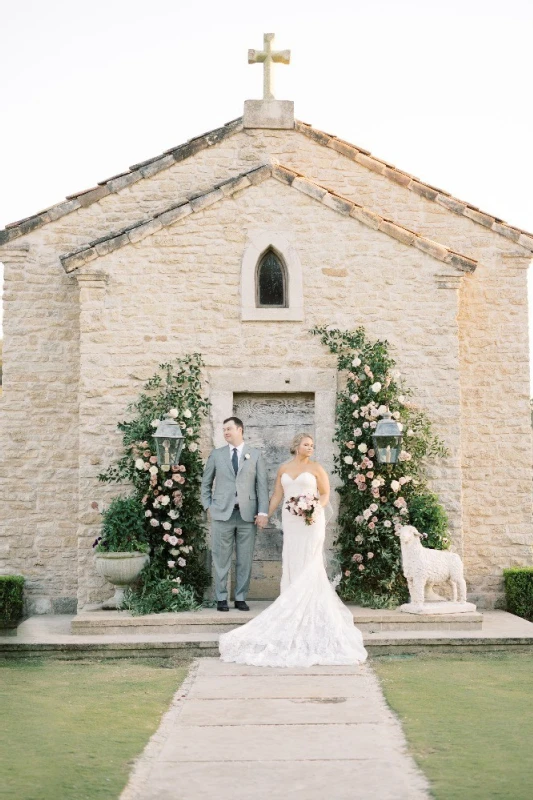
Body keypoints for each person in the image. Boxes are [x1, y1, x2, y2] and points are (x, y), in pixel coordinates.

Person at [218, 432, 368, 666]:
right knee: (292, 559)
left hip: (312, 521)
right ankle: (291, 602)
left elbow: (326, 493)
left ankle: (311, 609)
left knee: (311, 562)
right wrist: (264, 513)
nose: (310, 448)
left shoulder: (317, 468)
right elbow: (278, 494)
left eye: (312, 445)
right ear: (296, 446)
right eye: (306, 444)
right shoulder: (284, 468)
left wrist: (314, 507)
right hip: (291, 521)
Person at [201, 417, 269, 612]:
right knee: (220, 558)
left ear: (240, 429)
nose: (226, 432)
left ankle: (240, 598)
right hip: (222, 515)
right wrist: (209, 506)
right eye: (224, 430)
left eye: (229, 429)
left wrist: (262, 512)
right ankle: (221, 598)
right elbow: (205, 484)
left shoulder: (255, 455)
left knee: (245, 559)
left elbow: (262, 487)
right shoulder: (217, 455)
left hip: (247, 516)